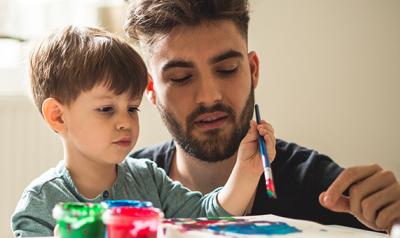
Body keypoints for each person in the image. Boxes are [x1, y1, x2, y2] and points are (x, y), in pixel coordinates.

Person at [125, 0, 400, 233]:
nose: (209, 96)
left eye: (227, 69)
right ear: (151, 89)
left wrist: (392, 221)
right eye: (181, 78)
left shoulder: (319, 188)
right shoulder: (120, 186)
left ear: (253, 70)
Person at [11, 25, 274, 237]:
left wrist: (247, 172)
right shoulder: (41, 202)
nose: (125, 121)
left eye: (132, 108)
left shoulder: (148, 178)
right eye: (106, 109)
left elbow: (207, 218)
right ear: (57, 116)